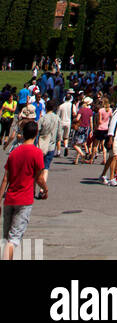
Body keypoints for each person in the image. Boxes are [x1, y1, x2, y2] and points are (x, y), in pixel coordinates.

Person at [0, 119, 47, 259]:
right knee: (13, 239)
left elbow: (5, 179)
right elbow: (39, 178)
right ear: (36, 134)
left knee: (6, 237)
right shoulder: (36, 153)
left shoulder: (14, 152)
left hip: (9, 199)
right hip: (24, 200)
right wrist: (46, 189)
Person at [36, 101, 61, 171]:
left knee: (38, 166)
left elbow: (37, 131)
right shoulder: (57, 118)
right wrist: (58, 140)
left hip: (42, 144)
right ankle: (43, 180)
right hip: (51, 145)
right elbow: (59, 133)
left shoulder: (42, 118)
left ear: (46, 108)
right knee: (46, 167)